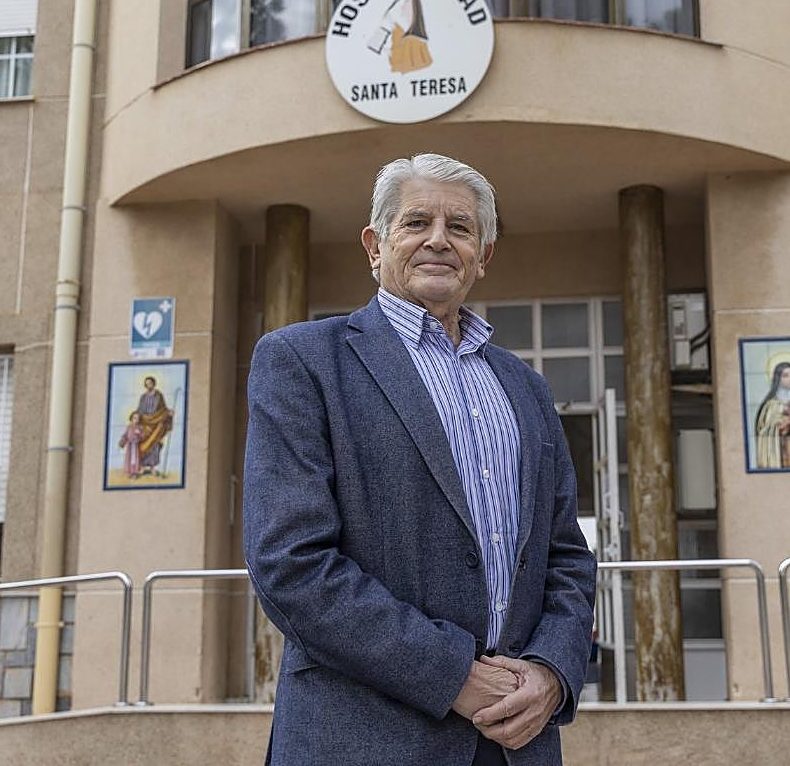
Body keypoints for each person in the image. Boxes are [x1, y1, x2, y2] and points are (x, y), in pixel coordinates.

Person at [243, 153, 596, 766]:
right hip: (362, 740)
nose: (438, 239)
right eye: (415, 223)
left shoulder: (526, 388)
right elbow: (291, 563)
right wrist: (453, 675)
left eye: (460, 227)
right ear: (374, 245)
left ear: (483, 255)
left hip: (516, 743)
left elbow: (566, 554)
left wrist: (551, 672)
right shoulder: (302, 362)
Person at [135, 376, 173, 477]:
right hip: (145, 424)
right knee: (143, 444)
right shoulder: (143, 397)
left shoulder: (159, 396)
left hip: (156, 424)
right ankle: (142, 467)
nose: (148, 385)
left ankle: (152, 468)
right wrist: (137, 418)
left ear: (154, 384)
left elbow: (163, 409)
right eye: (146, 383)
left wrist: (169, 413)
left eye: (150, 383)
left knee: (154, 445)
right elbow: (139, 410)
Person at [117, 411, 143, 478]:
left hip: (136, 446)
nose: (136, 420)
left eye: (138, 418)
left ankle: (135, 472)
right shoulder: (129, 427)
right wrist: (121, 443)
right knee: (130, 459)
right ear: (131, 418)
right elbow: (125, 436)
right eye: (135, 418)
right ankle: (130, 472)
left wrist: (139, 433)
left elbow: (142, 437)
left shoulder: (140, 427)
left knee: (135, 459)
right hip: (130, 446)